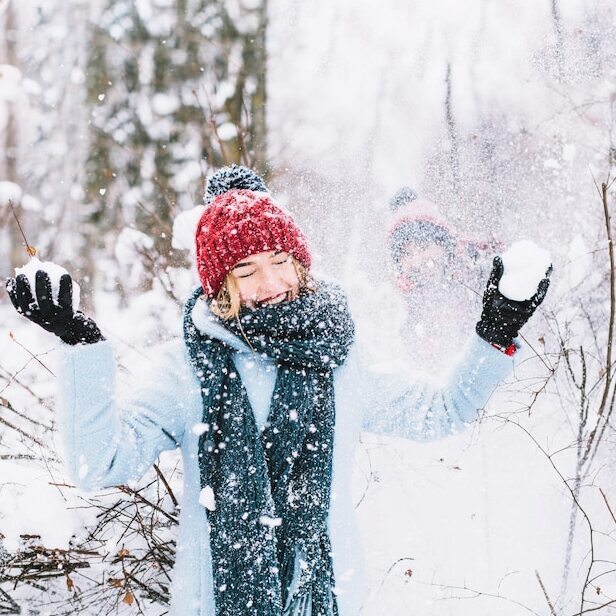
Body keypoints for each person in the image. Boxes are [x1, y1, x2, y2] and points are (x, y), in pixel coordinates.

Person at [5, 165, 550, 616]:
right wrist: (80, 344)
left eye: (280, 262)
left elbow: (440, 413)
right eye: (245, 271)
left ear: (300, 264)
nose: (270, 284)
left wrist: (494, 333)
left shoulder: (341, 358)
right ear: (219, 285)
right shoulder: (186, 370)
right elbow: (98, 463)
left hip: (330, 602)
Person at [387, 187, 501, 371]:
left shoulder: (479, 270)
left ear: (444, 245)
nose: (417, 260)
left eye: (424, 247)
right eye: (406, 254)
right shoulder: (409, 297)